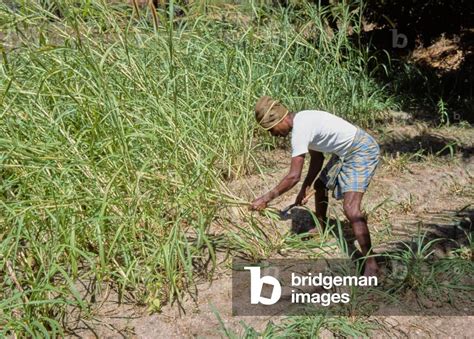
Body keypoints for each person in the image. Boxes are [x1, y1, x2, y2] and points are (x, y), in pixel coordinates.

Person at [250, 96, 380, 276]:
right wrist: (306, 186)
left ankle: (372, 264)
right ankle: (321, 227)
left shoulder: (300, 130)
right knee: (320, 186)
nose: (273, 134)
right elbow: (317, 158)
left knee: (351, 209)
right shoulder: (302, 120)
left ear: (279, 120)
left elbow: (293, 176)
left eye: (271, 129)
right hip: (345, 151)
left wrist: (265, 198)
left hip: (360, 149)